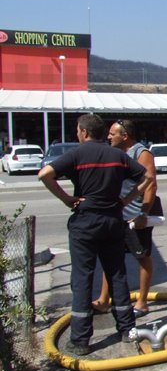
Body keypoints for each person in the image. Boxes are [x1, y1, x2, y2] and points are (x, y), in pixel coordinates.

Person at [38, 114, 152, 356]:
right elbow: (147, 177)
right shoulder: (117, 156)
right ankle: (126, 330)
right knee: (117, 274)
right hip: (112, 220)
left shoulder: (77, 154)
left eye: (78, 131)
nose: (77, 134)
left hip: (86, 222)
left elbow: (44, 174)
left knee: (82, 278)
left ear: (84, 132)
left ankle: (80, 340)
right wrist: (125, 201)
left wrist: (67, 199)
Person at [92, 119, 158, 318]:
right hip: (116, 216)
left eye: (113, 133)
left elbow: (151, 184)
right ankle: (104, 300)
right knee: (110, 257)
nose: (109, 137)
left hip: (135, 217)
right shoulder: (116, 153)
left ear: (125, 136)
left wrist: (143, 214)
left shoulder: (141, 153)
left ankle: (142, 302)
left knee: (142, 257)